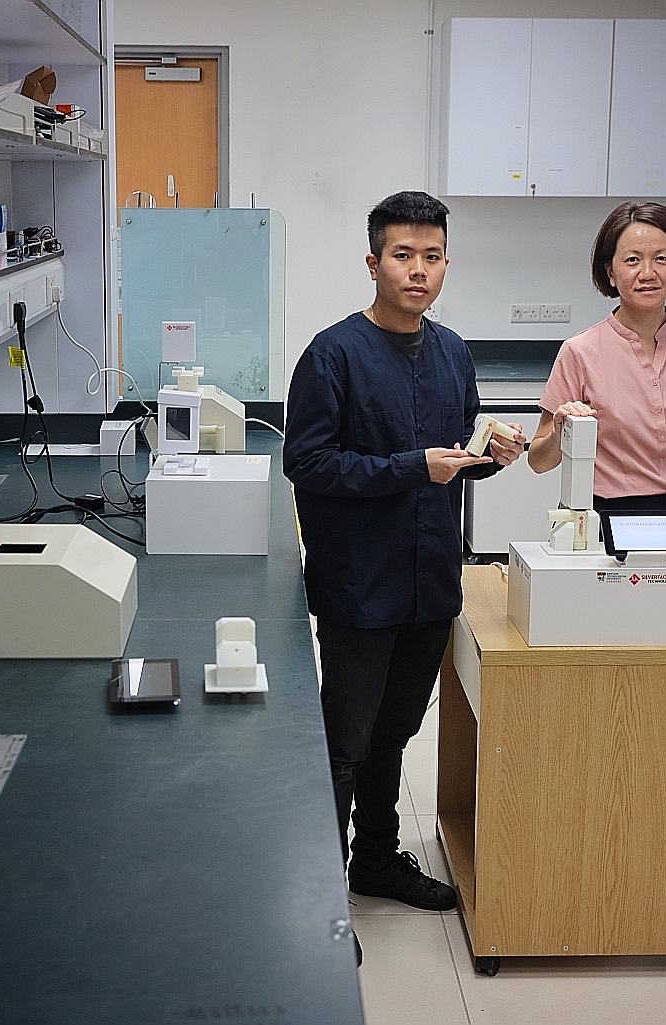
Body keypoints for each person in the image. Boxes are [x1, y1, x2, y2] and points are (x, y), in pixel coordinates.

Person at [283, 191, 525, 964]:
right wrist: (408, 466)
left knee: (396, 730)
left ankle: (377, 860)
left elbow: (459, 458)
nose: (418, 271)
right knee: (344, 738)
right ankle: (319, 892)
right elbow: (308, 463)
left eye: (431, 257)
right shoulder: (332, 354)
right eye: (402, 256)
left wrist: (494, 455)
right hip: (361, 584)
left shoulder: (453, 350)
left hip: (430, 582)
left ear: (446, 262)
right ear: (373, 262)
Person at [527, 201, 666, 886]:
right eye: (632, 258)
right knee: (639, 659)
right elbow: (538, 460)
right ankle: (650, 786)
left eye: (661, 257)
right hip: (600, 527)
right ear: (608, 270)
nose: (647, 270)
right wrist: (562, 426)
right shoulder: (581, 352)